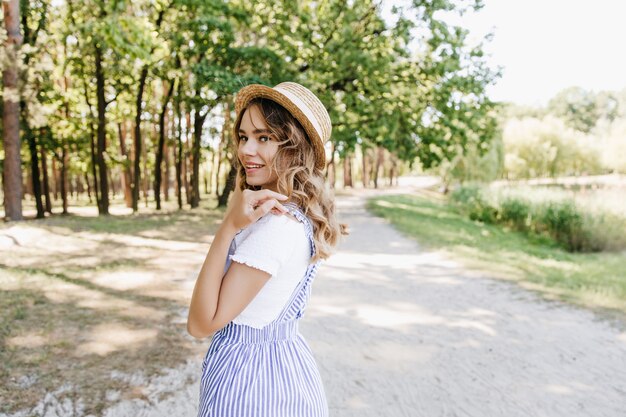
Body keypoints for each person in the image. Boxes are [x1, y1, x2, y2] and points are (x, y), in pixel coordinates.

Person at [187, 82, 345, 417]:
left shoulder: (278, 226)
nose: (246, 149)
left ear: (293, 147)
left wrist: (227, 226)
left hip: (251, 385)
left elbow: (201, 324)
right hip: (279, 371)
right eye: (243, 137)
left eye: (264, 137)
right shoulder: (286, 214)